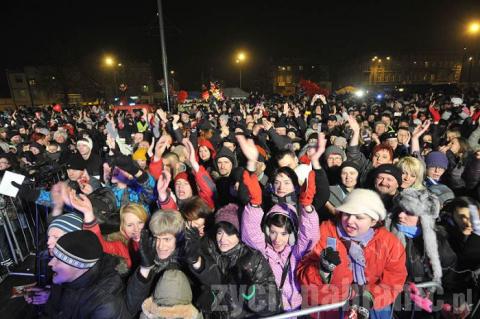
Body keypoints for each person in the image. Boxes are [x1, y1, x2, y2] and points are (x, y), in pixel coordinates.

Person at [239, 132, 321, 311]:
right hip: (271, 308)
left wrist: (307, 206)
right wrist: (254, 204)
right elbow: (252, 233)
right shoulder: (264, 252)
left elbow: (309, 236)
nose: (277, 239)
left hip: (297, 307)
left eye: (283, 233)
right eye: (273, 232)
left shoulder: (296, 252)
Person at [297, 188, 407, 319]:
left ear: (373, 221)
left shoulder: (389, 243)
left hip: (368, 310)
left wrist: (370, 298)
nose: (350, 221)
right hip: (328, 310)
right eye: (347, 214)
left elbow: (394, 280)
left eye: (359, 217)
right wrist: (322, 270)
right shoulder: (324, 233)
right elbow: (303, 275)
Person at [184, 203, 282, 318]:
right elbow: (211, 278)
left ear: (238, 234)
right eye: (220, 232)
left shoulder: (253, 258)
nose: (223, 239)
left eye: (229, 233)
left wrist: (251, 294)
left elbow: (273, 305)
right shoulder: (209, 250)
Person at [388, 188, 457, 319]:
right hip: (391, 303)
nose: (401, 215)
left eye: (409, 212)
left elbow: (450, 278)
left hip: (423, 307)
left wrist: (445, 302)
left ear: (423, 218)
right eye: (400, 209)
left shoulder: (439, 243)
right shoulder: (387, 233)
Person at [42, 230, 129, 318]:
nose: (50, 263)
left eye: (59, 259)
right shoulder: (63, 278)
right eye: (54, 257)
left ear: (79, 266)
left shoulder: (106, 305)